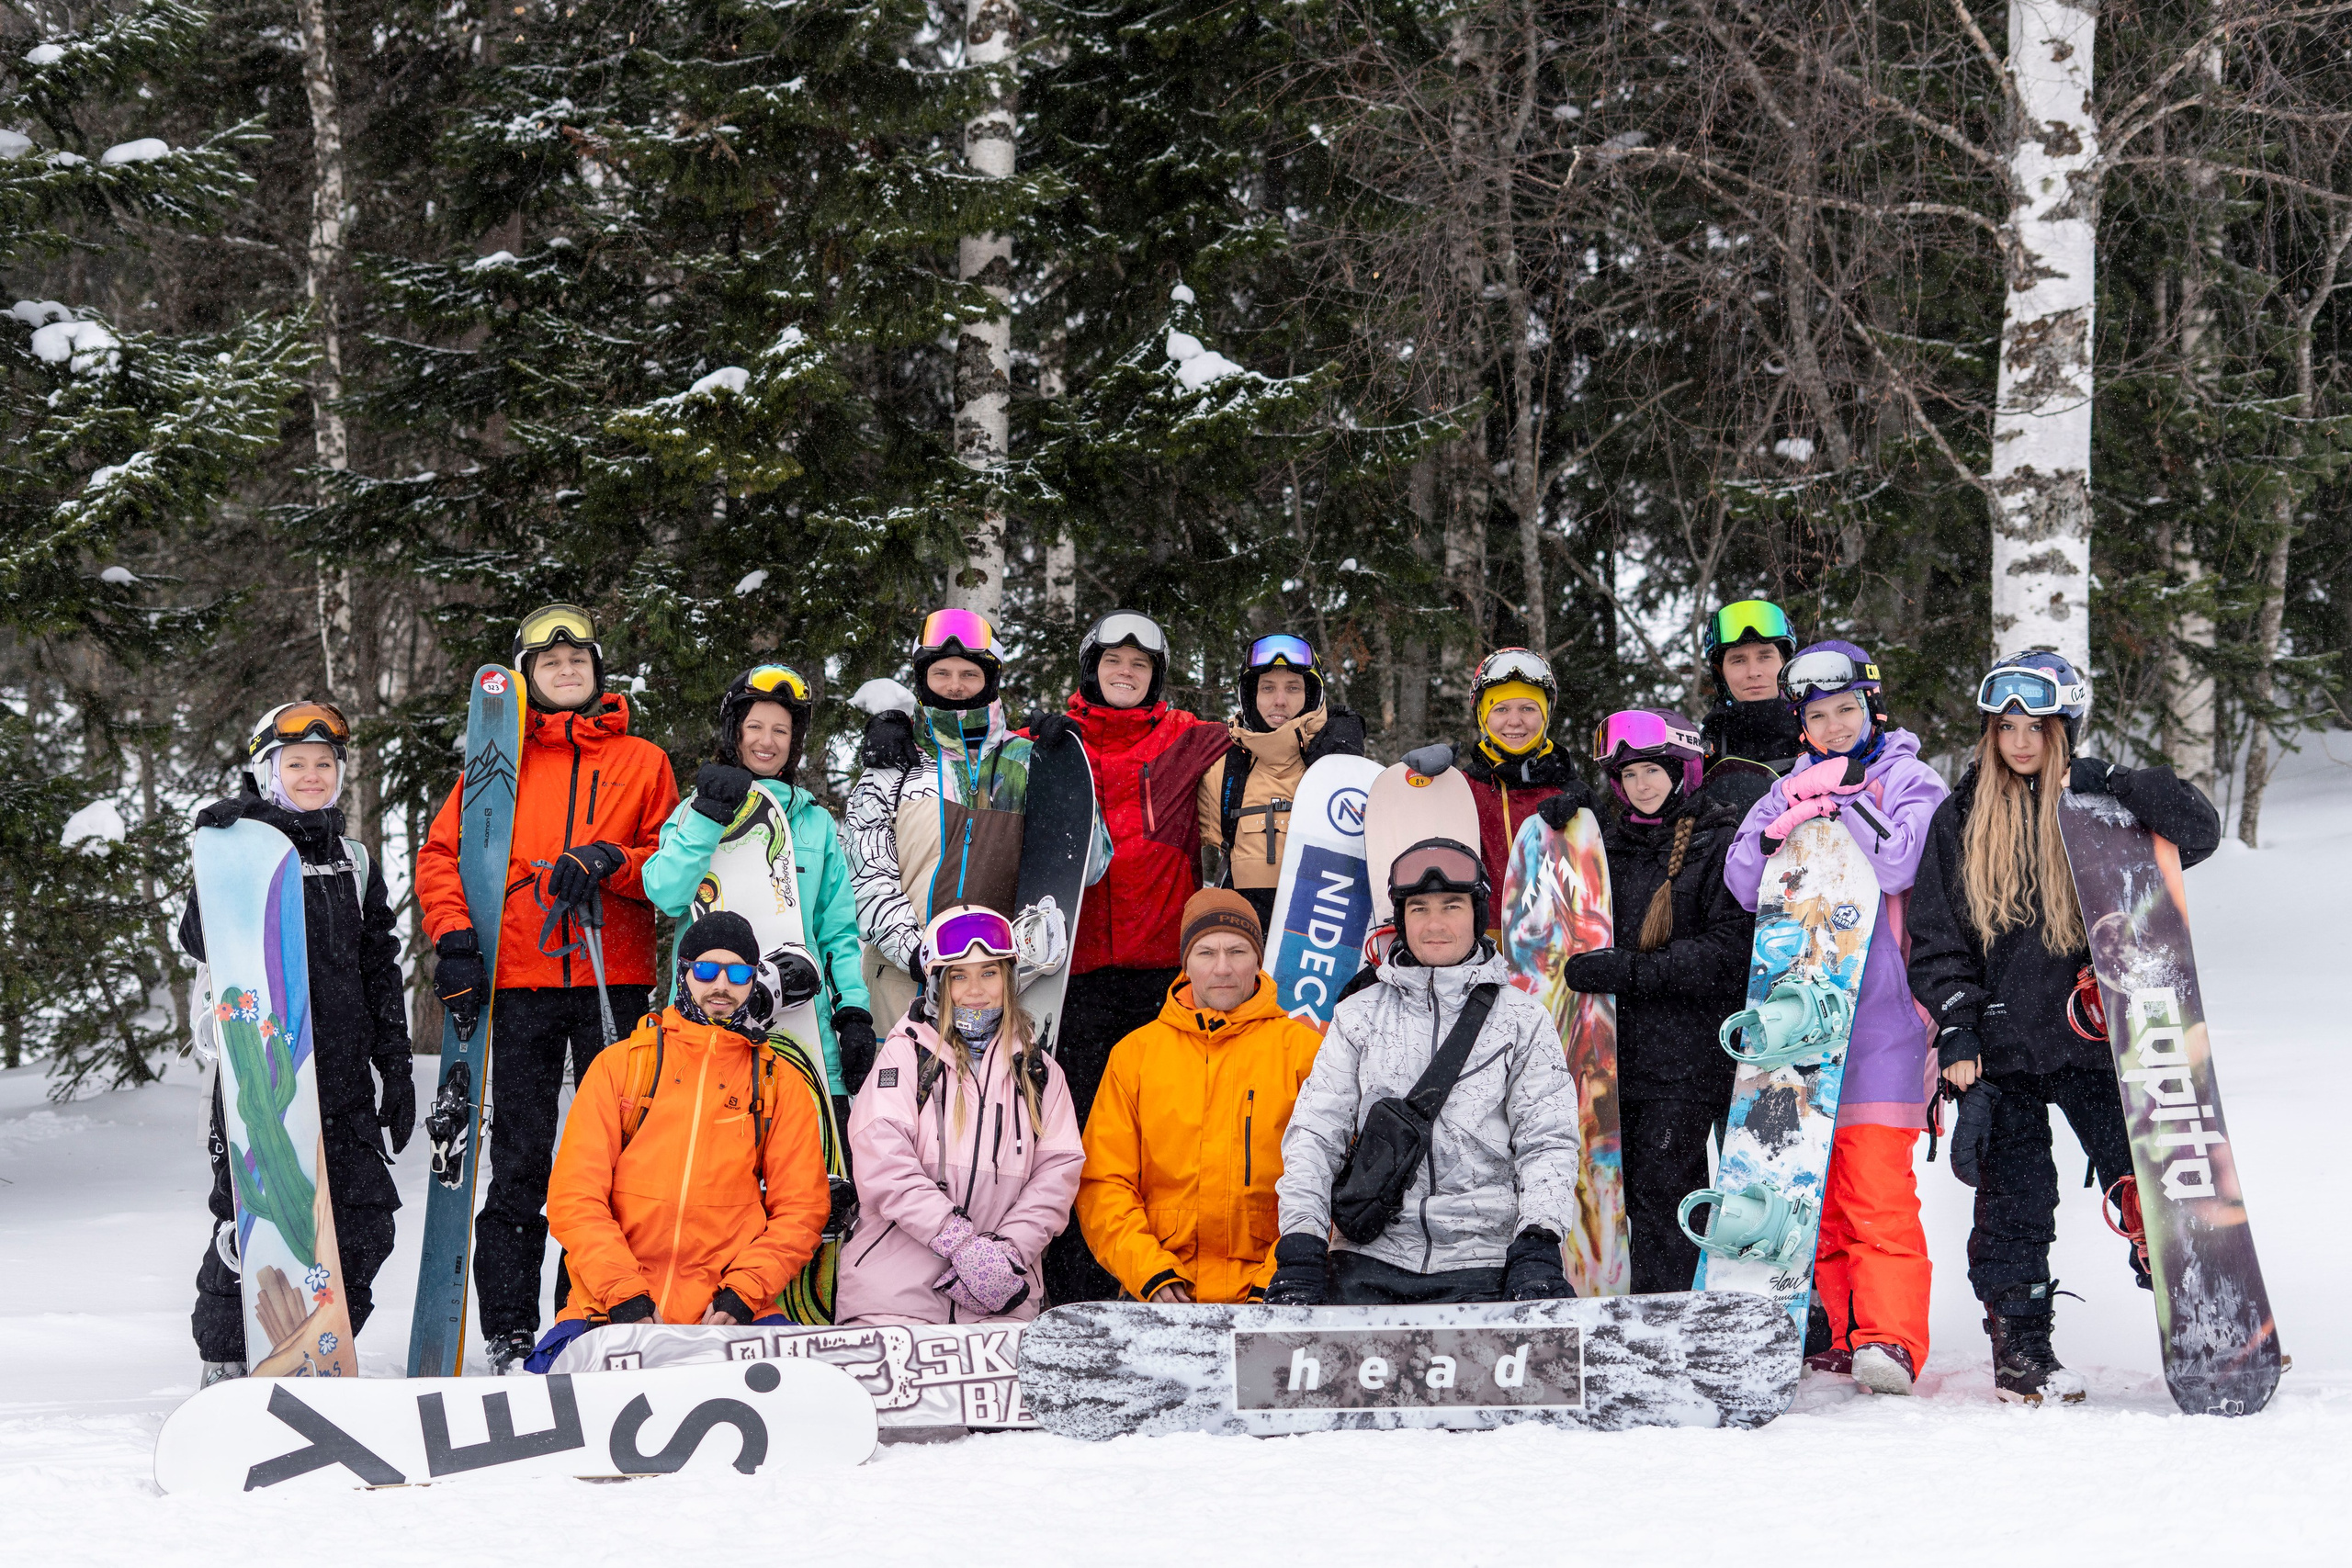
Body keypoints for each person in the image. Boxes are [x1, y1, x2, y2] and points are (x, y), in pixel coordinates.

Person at [1906, 653, 2218, 1404]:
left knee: (2147, 1181)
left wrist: (2115, 780)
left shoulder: (2099, 806)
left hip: (2094, 1040)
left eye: (2036, 728)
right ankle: (2022, 1349)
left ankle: (2207, 1320)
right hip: (2001, 1045)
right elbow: (1940, 940)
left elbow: (2198, 831)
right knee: (2016, 1200)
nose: (2019, 742)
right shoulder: (1959, 817)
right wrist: (1957, 1033)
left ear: (2064, 730)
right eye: (2005, 727)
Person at [416, 603, 681, 1372]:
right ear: (527, 678)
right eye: (549, 663)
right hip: (523, 981)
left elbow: (670, 865)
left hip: (613, 978)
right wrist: (457, 939)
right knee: (522, 1159)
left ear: (598, 670)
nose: (566, 671)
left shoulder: (643, 761)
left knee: (614, 1161)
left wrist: (611, 861)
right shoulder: (495, 763)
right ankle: (506, 1328)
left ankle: (590, 1312)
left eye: (578, 660)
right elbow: (441, 856)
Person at [1722, 639, 1947, 1395]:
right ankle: (1843, 1331)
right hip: (1799, 1020)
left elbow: (1902, 864)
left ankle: (1891, 1335)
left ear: (1873, 708)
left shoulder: (1911, 781)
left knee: (1875, 1186)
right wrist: (1780, 820)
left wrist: (1847, 798)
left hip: (1884, 1020)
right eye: (1819, 716)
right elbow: (1743, 881)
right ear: (1802, 726)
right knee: (1807, 1189)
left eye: (1847, 709)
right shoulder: (1785, 785)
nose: (1836, 725)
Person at [180, 703, 412, 1385]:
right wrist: (219, 854)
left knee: (367, 1223)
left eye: (324, 764)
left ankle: (316, 1347)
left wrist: (394, 1064)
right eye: (296, 763)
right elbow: (201, 940)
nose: (312, 775)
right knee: (250, 1221)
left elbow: (379, 965)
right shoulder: (238, 844)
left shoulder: (355, 858)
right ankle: (226, 1359)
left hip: (341, 1078)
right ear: (266, 770)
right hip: (262, 1073)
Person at [1265, 839, 1583, 1305]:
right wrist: (1301, 1247)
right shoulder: (1359, 1017)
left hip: (1486, 1263)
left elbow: (1548, 1141)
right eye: (1419, 909)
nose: (1435, 924)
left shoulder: (1523, 1020)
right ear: (1402, 919)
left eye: (1451, 906)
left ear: (1476, 914)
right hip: (1369, 1259)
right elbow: (1315, 1136)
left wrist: (1537, 1243)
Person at [527, 912, 831, 1370]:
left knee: (807, 1409)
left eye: (739, 972)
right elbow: (575, 1197)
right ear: (684, 973)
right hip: (608, 1312)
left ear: (753, 981)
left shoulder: (777, 1082)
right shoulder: (621, 1066)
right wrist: (624, 1294)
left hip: (729, 1319)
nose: (721, 985)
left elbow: (802, 1209)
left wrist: (744, 1293)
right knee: (551, 1412)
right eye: (707, 970)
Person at [1030, 609, 1229, 1303]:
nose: (1125, 672)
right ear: (1091, 669)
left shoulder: (1186, 739)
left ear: (1156, 677)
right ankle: (1074, 1283)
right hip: (1072, 979)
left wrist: (1328, 736)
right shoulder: (1051, 741)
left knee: (1160, 1135)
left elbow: (1269, 742)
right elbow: (974, 752)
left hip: (1159, 977)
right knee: (1080, 1131)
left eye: (1139, 665)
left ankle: (1158, 1274)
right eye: (1113, 661)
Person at [1556, 710, 1754, 1293]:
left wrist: (1632, 972)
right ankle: (1629, 1315)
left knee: (1668, 1194)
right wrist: (1556, 837)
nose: (1643, 785)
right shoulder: (1606, 847)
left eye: (1654, 771)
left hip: (1688, 1058)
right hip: (1612, 1060)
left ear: (1682, 771)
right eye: (1630, 774)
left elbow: (1725, 953)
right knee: (1620, 1194)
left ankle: (1666, 1325)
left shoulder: (1719, 840)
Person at [846, 609, 1102, 1041]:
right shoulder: (894, 764)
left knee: (990, 1107)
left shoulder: (1024, 763)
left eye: (969, 673)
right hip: (900, 978)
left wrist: (1067, 775)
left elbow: (1085, 868)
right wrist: (920, 955)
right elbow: (866, 876)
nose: (954, 685)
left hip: (996, 982)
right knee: (900, 1104)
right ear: (922, 679)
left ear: (991, 679)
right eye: (941, 672)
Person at [834, 907, 1084, 1325]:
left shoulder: (1040, 1073)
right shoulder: (906, 1057)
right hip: (893, 1300)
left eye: (989, 973)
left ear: (1008, 979)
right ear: (937, 984)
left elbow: (1057, 1175)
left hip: (999, 1301)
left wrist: (1007, 1252)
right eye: (959, 976)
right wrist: (956, 1240)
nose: (975, 990)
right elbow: (882, 1160)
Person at [1076, 890, 1324, 1303]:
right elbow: (1104, 1183)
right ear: (1185, 964)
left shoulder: (1305, 1052)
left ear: (1258, 960)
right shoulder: (1135, 1055)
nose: (1222, 968)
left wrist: (1280, 1279)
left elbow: (1331, 1180)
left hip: (1272, 1300)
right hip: (1160, 1299)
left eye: (1238, 951)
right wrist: (1151, 1273)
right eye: (1206, 952)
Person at [642, 664, 873, 1106]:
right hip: (706, 1023)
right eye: (755, 727)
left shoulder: (815, 824)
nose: (767, 742)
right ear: (735, 732)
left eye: (781, 731)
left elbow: (836, 933)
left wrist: (853, 1011)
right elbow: (666, 893)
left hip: (806, 1036)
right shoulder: (697, 810)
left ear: (795, 742)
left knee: (810, 1172)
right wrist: (709, 816)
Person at [1195, 634, 1368, 929]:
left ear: (1310, 695)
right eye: (1267, 688)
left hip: (1321, 941)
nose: (1279, 700)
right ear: (1250, 695)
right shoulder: (1223, 769)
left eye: (1293, 688)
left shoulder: (1337, 761)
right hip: (1245, 946)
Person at [1454, 647, 1597, 901]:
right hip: (1477, 938)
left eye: (1528, 708)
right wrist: (1422, 785)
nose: (1515, 721)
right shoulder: (1462, 790)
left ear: (1546, 715)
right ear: (1482, 717)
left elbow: (1610, 880)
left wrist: (1577, 828)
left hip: (1553, 938)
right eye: (1501, 709)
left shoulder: (1575, 794)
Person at [1697, 599, 1805, 791]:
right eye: (1738, 660)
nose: (1753, 672)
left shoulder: (1821, 726)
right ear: (1720, 672)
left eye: (1765, 657)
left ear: (1785, 663)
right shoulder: (1702, 750)